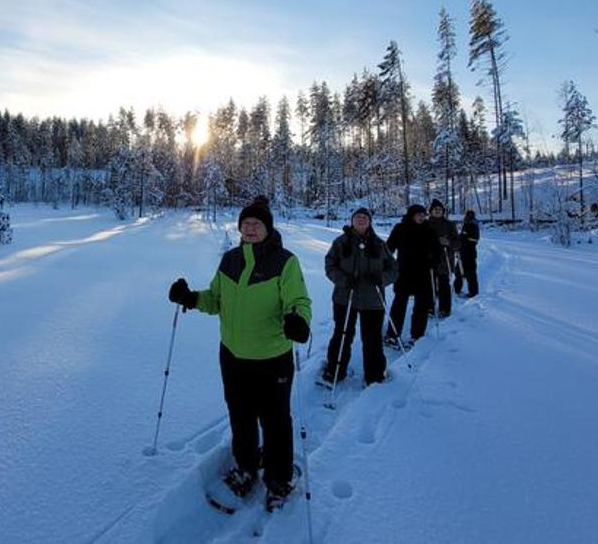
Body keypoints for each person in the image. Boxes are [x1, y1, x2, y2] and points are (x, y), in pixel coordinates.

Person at [168, 196, 312, 512]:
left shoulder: (285, 262)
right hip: (233, 357)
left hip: (272, 358)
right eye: (245, 223)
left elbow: (299, 300)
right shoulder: (229, 261)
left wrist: (298, 320)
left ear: (268, 228)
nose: (250, 228)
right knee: (240, 415)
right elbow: (215, 299)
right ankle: (246, 467)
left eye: (256, 224)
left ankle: (279, 478)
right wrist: (190, 298)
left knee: (275, 420)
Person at [322, 207, 397, 386]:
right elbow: (329, 265)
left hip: (373, 300)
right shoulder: (341, 242)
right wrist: (344, 280)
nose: (361, 219)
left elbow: (394, 269)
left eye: (364, 217)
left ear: (370, 222)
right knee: (342, 334)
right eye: (357, 217)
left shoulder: (379, 244)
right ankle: (335, 371)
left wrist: (380, 278)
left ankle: (375, 375)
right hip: (345, 297)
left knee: (372, 338)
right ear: (352, 221)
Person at [384, 204, 440, 349]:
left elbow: (438, 250)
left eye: (423, 215)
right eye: (418, 214)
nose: (422, 217)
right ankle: (392, 335)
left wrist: (434, 259)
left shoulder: (429, 230)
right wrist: (384, 261)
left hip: (424, 273)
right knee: (399, 304)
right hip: (404, 272)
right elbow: (389, 247)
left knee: (421, 306)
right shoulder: (400, 228)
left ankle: (417, 335)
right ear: (411, 215)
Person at [426, 199, 459, 318]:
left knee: (444, 284)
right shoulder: (425, 224)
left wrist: (448, 242)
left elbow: (458, 243)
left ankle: (445, 308)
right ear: (431, 211)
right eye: (435, 209)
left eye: (440, 209)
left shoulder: (450, 225)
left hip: (444, 260)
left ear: (443, 211)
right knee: (428, 284)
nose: (437, 211)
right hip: (428, 259)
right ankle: (429, 307)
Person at [454, 209, 480, 298]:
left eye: (470, 215)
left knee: (471, 274)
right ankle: (457, 289)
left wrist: (464, 238)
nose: (468, 216)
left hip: (470, 253)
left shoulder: (474, 225)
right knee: (458, 272)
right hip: (462, 252)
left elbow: (475, 239)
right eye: (467, 215)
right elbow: (462, 236)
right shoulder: (464, 223)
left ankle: (473, 292)